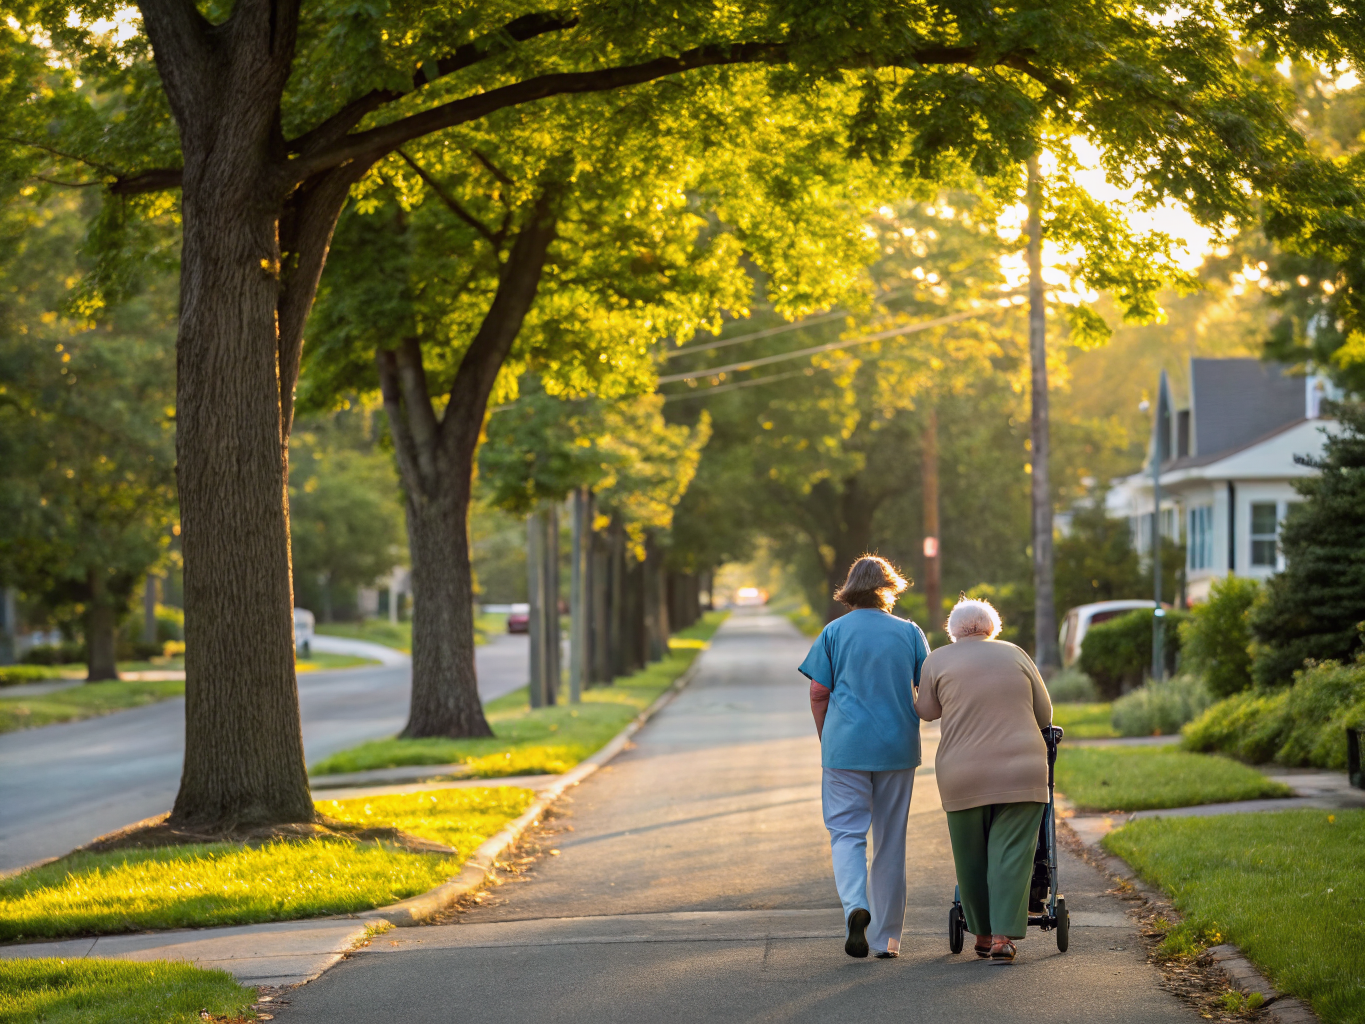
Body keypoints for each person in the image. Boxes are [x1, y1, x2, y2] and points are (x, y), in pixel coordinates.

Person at [798, 555, 928, 959]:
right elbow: (928, 688)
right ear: (888, 587)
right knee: (890, 840)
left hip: (844, 749)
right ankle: (887, 939)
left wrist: (828, 738)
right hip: (897, 748)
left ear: (850, 589)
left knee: (846, 833)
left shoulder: (833, 632)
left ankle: (856, 906)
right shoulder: (909, 632)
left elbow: (819, 692)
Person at [914, 596, 1052, 962]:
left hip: (963, 773)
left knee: (971, 855)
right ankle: (1003, 938)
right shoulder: (1016, 654)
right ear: (993, 627)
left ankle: (983, 933)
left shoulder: (937, 660)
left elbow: (926, 712)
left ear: (952, 630)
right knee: (1012, 855)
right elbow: (1044, 713)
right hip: (1023, 769)